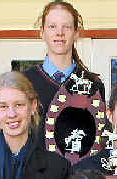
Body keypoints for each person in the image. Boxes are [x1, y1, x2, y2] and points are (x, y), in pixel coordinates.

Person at [24, 1, 106, 143]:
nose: (59, 33)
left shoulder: (93, 85)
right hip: (35, 165)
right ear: (42, 32)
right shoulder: (24, 83)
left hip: (79, 164)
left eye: (66, 27)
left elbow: (97, 139)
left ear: (76, 33)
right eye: (52, 26)